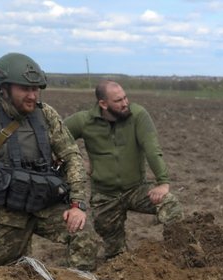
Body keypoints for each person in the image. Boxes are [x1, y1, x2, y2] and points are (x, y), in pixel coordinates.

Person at [0, 52, 95, 268]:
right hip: (5, 213)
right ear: (4, 89)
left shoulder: (46, 114)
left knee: (84, 236)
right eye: (25, 89)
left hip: (45, 203)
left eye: (36, 89)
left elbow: (72, 156)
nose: (32, 96)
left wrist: (77, 205)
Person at [65, 80, 184, 262]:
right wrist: (76, 161)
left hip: (136, 189)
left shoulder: (138, 115)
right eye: (118, 100)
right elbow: (57, 139)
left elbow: (152, 148)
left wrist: (163, 182)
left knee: (170, 204)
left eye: (125, 97)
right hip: (105, 197)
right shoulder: (84, 121)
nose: (125, 103)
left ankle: (181, 255)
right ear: (103, 104)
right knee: (115, 254)